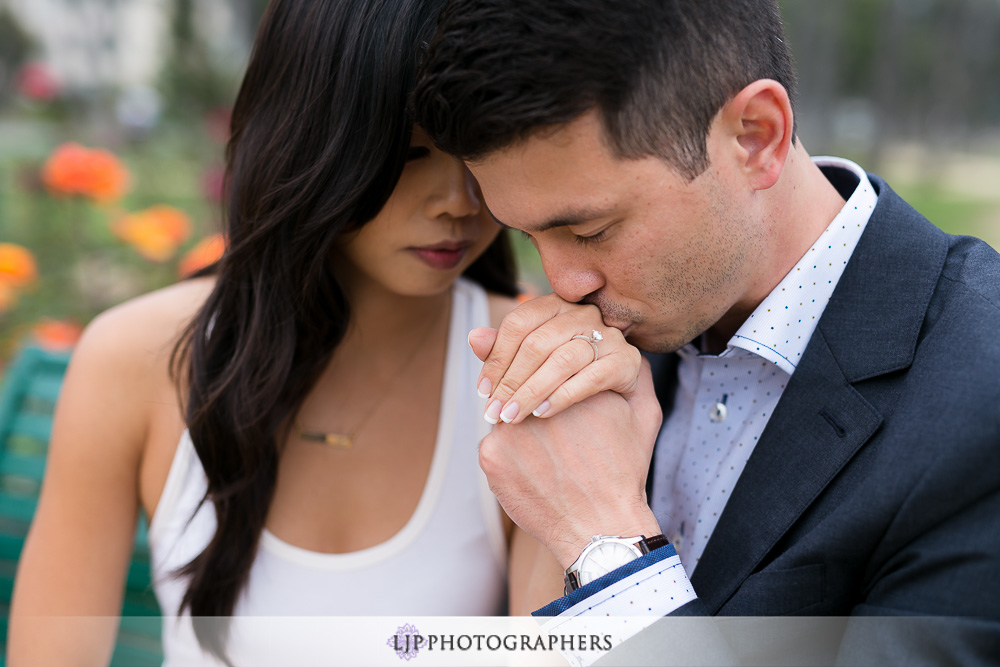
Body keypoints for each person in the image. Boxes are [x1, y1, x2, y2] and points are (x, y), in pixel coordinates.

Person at [3, 0, 645, 664]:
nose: (458, 199)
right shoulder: (134, 360)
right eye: (411, 152)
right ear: (314, 136)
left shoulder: (527, 367)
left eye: (476, 149)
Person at [412, 0, 1000, 663]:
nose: (563, 282)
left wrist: (605, 543)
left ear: (756, 136)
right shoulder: (604, 355)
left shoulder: (980, 398)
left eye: (589, 230)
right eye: (527, 235)